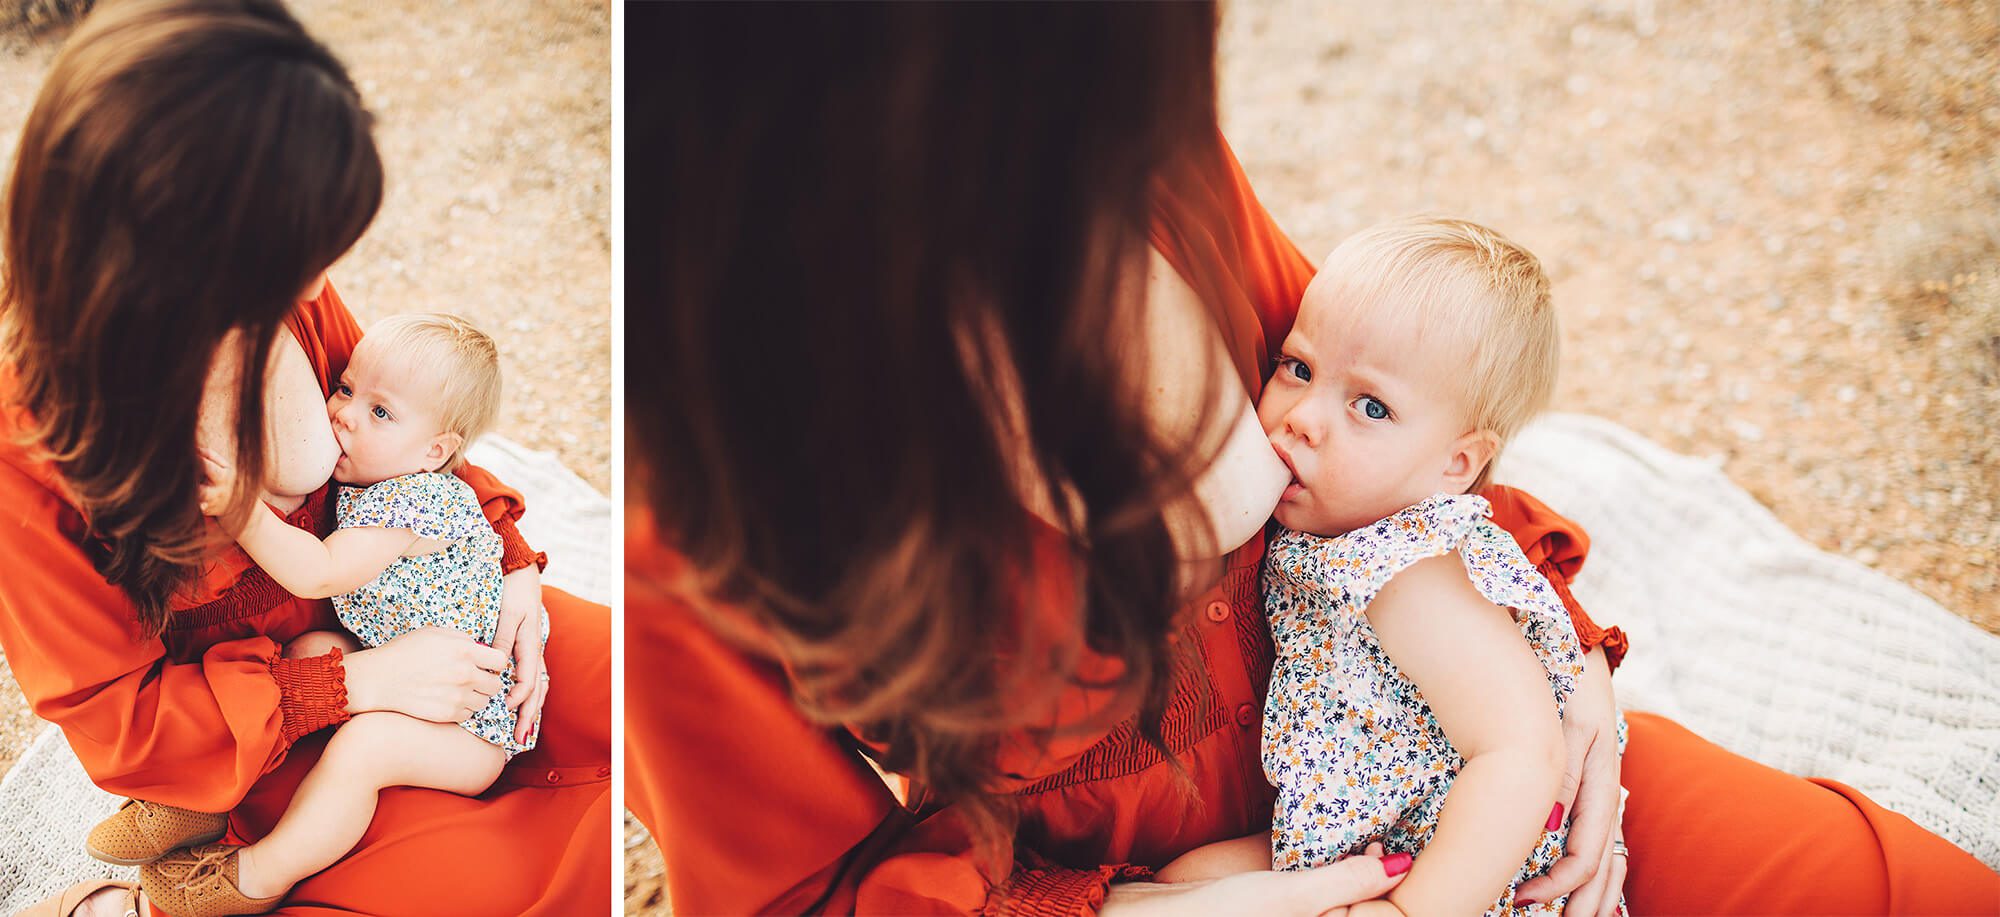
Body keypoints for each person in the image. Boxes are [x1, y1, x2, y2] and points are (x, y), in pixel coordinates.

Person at [625, 3, 1999, 915]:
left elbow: (1394, 424)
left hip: (1428, 749)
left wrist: (1559, 669)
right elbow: (795, 893)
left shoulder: (1121, 146)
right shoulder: (688, 522)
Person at [0, 2, 608, 914]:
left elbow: (411, 439)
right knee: (509, 883)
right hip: (262, 718)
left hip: (407, 615)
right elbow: (120, 722)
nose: (321, 287)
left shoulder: (284, 300)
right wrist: (350, 681)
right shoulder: (30, 451)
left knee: (645, 672)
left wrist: (512, 563)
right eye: (295, 259)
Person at [1155, 218, 1626, 916]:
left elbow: (1520, 749)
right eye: (1299, 367)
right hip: (1354, 830)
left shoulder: (1408, 568)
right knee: (1179, 885)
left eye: (1370, 407)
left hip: (1463, 859)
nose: (1302, 417)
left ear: (1455, 465)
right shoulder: (1335, 525)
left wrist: (1414, 909)